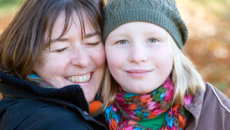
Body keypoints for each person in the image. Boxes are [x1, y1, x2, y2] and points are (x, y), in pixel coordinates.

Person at [102, 0, 230, 130]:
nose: (137, 57)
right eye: (122, 41)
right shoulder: (90, 116)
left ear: (174, 49)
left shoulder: (219, 112)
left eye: (153, 40)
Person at [0, 0, 107, 129]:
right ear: (28, 55)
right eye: (60, 49)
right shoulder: (62, 124)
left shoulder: (16, 106)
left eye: (93, 43)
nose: (83, 61)